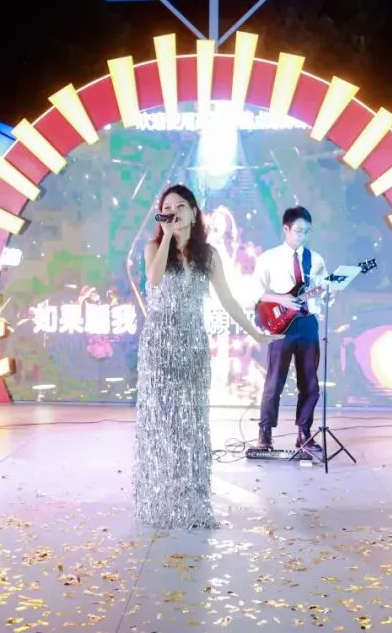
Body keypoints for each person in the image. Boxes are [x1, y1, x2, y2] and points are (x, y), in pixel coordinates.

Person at [134, 184, 281, 529]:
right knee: (161, 424)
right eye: (167, 207)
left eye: (180, 206)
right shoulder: (154, 247)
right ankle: (160, 502)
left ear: (194, 212)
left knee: (192, 425)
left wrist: (255, 333)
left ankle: (192, 500)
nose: (173, 212)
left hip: (192, 346)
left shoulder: (209, 255)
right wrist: (167, 238)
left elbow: (228, 300)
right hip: (158, 347)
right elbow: (154, 280)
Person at [251, 207, 328, 454]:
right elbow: (255, 290)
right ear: (286, 228)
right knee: (274, 381)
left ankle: (304, 432)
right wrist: (281, 299)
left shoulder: (316, 260)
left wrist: (330, 293)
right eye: (298, 230)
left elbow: (322, 293)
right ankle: (265, 432)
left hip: (308, 323)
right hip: (281, 325)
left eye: (307, 231)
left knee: (310, 382)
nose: (302, 235)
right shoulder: (269, 258)